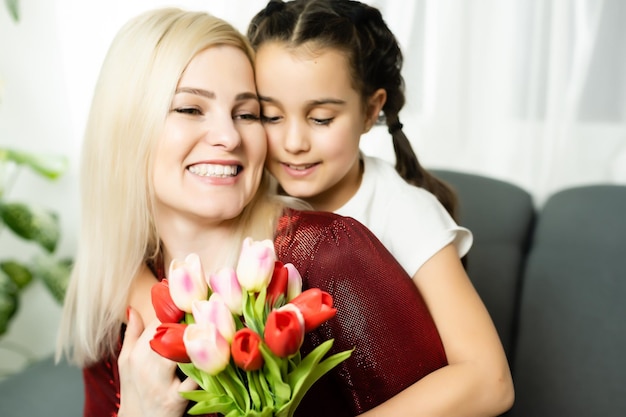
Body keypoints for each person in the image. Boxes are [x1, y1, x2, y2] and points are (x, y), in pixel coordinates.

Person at [56, 7, 462, 417]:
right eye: (190, 109)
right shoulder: (115, 282)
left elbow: (476, 385)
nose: (230, 136)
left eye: (247, 114)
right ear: (125, 127)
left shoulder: (326, 253)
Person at [245, 0, 515, 415]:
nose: (293, 142)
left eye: (320, 119)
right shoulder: (247, 194)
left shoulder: (404, 212)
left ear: (370, 111)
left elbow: (489, 381)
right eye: (269, 116)